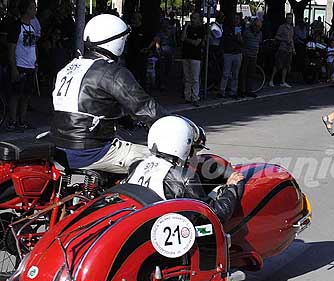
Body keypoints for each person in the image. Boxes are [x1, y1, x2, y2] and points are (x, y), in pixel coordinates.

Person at [50, 14, 168, 174]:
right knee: (161, 162)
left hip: (61, 146)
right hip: (90, 151)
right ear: (117, 42)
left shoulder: (69, 67)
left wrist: (123, 119)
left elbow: (87, 106)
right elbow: (146, 108)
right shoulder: (112, 72)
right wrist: (177, 125)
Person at [127, 116, 245, 222]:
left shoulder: (137, 165)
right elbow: (217, 214)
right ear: (184, 147)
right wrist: (231, 187)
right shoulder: (184, 177)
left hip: (142, 220)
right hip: (168, 230)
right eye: (195, 150)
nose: (196, 156)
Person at [6, 0, 38, 131]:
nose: (35, 10)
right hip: (19, 65)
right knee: (15, 95)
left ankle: (22, 120)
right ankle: (12, 121)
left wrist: (36, 62)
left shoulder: (32, 27)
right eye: (32, 8)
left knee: (26, 95)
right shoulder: (16, 26)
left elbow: (34, 47)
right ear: (26, 10)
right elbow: (11, 48)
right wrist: (13, 68)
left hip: (30, 65)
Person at [181, 12, 205, 106]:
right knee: (187, 78)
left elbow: (196, 43)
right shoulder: (188, 28)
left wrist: (187, 40)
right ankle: (187, 96)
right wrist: (186, 27)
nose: (193, 20)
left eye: (195, 18)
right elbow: (182, 38)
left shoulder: (200, 30)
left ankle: (195, 97)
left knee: (195, 78)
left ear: (199, 19)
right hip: (186, 55)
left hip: (195, 56)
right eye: (192, 18)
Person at [219, 14, 244, 99]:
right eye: (235, 18)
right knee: (225, 73)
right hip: (228, 53)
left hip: (238, 53)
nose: (236, 20)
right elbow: (223, 40)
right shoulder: (227, 29)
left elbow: (244, 42)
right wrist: (222, 52)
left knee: (235, 74)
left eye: (238, 19)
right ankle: (222, 91)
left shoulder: (242, 29)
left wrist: (240, 38)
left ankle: (233, 92)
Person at [269, 13, 295, 88]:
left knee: (286, 66)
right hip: (282, 48)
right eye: (288, 18)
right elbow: (277, 36)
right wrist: (284, 40)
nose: (290, 20)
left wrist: (293, 48)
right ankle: (271, 80)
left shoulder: (291, 28)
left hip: (289, 50)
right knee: (277, 65)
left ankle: (283, 81)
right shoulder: (282, 27)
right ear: (286, 19)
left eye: (291, 18)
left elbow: (291, 39)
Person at [239, 18, 262, 98]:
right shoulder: (246, 31)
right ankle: (242, 90)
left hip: (254, 55)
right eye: (256, 25)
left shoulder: (260, 33)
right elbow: (242, 41)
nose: (257, 27)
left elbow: (259, 42)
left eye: (259, 26)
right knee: (243, 73)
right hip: (246, 55)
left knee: (251, 74)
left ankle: (249, 90)